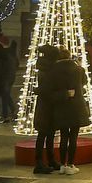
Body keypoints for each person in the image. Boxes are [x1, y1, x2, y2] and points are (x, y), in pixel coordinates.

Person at [46, 48, 90, 174]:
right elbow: (84, 82)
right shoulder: (78, 69)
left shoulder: (53, 71)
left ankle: (63, 165)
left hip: (61, 106)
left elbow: (51, 89)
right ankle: (71, 164)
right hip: (77, 107)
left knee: (64, 136)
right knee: (74, 137)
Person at [31, 46, 62, 175]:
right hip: (47, 105)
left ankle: (50, 160)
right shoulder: (50, 69)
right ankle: (40, 163)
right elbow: (47, 89)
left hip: (45, 104)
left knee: (48, 133)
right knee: (44, 134)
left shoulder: (44, 67)